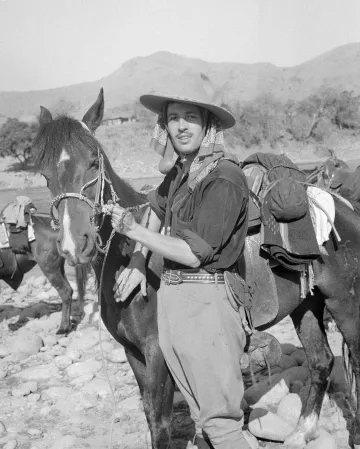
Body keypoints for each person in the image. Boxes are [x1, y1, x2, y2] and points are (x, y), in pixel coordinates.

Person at [109, 76, 251, 449]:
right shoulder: (181, 173)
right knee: (200, 413)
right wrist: (139, 262)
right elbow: (156, 209)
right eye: (173, 118)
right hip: (175, 304)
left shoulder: (224, 177)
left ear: (208, 124)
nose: (181, 126)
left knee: (220, 423)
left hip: (207, 305)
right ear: (165, 125)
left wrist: (133, 233)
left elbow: (193, 253)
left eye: (191, 116)